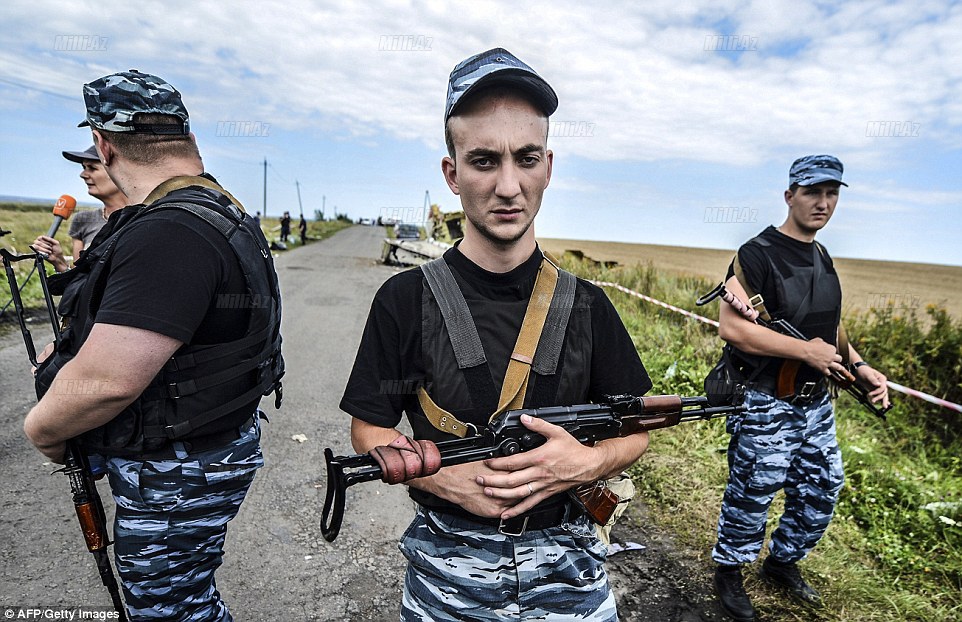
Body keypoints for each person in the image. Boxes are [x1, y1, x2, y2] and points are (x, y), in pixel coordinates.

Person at [340, 48, 652, 621]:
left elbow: (636, 432)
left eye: (526, 157)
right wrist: (450, 481)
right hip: (445, 581)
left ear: (549, 168)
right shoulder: (405, 301)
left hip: (572, 576)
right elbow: (370, 428)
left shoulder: (589, 306)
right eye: (484, 160)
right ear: (451, 173)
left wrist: (582, 465)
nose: (509, 185)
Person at [23, 70, 284, 621]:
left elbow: (108, 383)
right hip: (200, 451)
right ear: (185, 136)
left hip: (179, 467)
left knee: (169, 610)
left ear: (103, 143)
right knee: (182, 599)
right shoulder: (218, 210)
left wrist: (43, 429)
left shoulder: (169, 231)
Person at [710, 155, 889, 622]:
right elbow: (733, 329)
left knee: (822, 487)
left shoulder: (822, 255)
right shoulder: (756, 253)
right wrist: (803, 353)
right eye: (813, 192)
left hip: (816, 406)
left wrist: (860, 365)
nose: (823, 203)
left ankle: (782, 562)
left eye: (832, 194)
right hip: (768, 400)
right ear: (790, 195)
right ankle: (729, 571)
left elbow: (830, 327)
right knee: (754, 492)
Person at [31, 144, 128, 273]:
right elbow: (79, 280)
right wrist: (59, 262)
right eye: (84, 167)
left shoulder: (147, 217)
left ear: (118, 172)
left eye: (92, 168)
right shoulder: (83, 220)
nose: (83, 174)